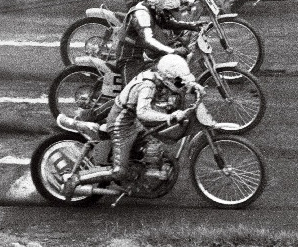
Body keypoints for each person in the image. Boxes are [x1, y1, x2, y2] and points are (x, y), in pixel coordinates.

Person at [63, 54, 201, 194]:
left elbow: (178, 83)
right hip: (121, 124)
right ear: (166, 77)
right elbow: (143, 112)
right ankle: (75, 179)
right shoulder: (147, 86)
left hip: (133, 120)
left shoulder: (156, 76)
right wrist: (169, 117)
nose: (178, 83)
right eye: (175, 79)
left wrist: (194, 86)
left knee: (153, 145)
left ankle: (148, 170)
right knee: (119, 172)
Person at [115, 0, 196, 83]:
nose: (168, 14)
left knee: (171, 79)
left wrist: (192, 26)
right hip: (128, 57)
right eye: (167, 11)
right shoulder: (141, 14)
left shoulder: (155, 7)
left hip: (143, 53)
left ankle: (177, 93)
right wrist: (173, 51)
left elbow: (167, 22)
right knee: (134, 89)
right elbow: (149, 40)